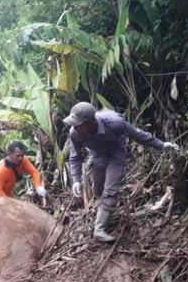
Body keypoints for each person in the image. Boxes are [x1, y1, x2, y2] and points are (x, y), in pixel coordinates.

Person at [64, 102, 180, 242]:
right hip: (98, 154)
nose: (74, 126)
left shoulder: (114, 123)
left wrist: (161, 145)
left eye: (78, 123)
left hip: (116, 152)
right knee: (99, 190)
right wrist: (76, 180)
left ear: (89, 122)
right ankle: (105, 209)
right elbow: (74, 156)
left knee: (111, 188)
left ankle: (99, 229)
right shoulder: (75, 133)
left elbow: (138, 134)